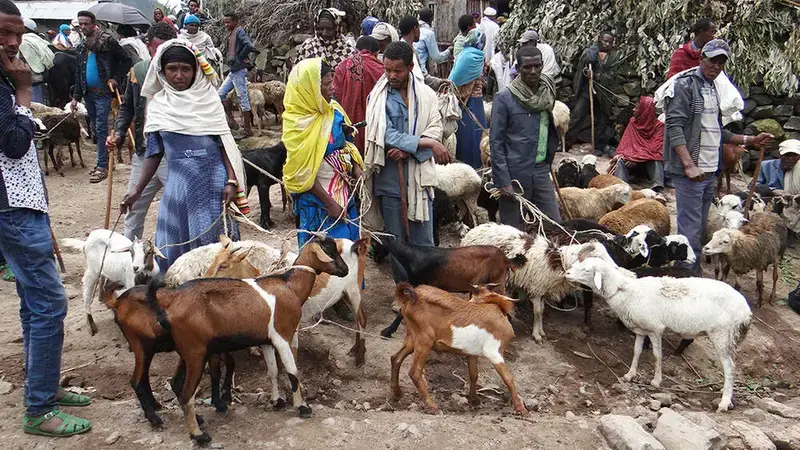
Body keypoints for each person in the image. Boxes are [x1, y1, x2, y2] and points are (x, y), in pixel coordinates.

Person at [0, 0, 93, 437]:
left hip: (21, 205)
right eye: (5, 32)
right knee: (50, 304)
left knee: (32, 302)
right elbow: (16, 145)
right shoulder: (6, 87)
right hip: (13, 209)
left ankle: (45, 389)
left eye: (18, 33)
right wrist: (23, 90)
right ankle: (39, 409)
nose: (15, 42)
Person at [121, 39, 247, 271]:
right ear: (162, 71)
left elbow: (225, 146)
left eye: (185, 69)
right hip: (178, 187)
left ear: (196, 70)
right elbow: (154, 152)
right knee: (174, 246)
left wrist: (231, 181)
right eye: (172, 69)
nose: (179, 75)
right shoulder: (159, 105)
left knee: (214, 248)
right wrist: (137, 190)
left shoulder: (209, 101)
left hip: (212, 184)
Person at [664, 39, 772, 275]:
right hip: (691, 171)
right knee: (690, 228)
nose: (717, 66)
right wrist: (688, 164)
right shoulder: (685, 85)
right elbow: (674, 126)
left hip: (708, 170)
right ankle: (686, 276)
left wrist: (748, 141)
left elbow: (716, 130)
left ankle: (688, 270)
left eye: (721, 62)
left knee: (700, 226)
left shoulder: (712, 88)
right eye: (713, 60)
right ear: (702, 58)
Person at [364, 42, 453, 281]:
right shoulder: (378, 97)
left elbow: (436, 127)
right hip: (390, 178)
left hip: (418, 176)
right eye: (387, 70)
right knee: (396, 240)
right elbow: (382, 132)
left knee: (423, 237)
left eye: (398, 71)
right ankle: (404, 291)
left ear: (410, 67)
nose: (391, 76)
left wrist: (408, 150)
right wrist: (425, 144)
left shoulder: (426, 95)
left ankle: (427, 291)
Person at [282, 58, 365, 247]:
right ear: (309, 88)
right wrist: (329, 203)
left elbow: (348, 143)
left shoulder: (334, 110)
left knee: (351, 249)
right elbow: (301, 173)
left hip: (345, 197)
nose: (332, 88)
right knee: (327, 257)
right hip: (319, 205)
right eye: (327, 84)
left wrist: (357, 168)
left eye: (332, 82)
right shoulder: (297, 124)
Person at [108, 22, 177, 240]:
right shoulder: (138, 71)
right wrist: (118, 134)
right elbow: (128, 106)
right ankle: (130, 261)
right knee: (133, 207)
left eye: (168, 49)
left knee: (178, 209)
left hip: (172, 155)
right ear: (148, 47)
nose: (162, 56)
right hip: (145, 151)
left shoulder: (182, 74)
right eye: (158, 50)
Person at [490, 46, 562, 227]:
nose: (533, 71)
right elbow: (495, 142)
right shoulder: (505, 98)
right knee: (514, 232)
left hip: (541, 170)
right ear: (518, 68)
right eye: (527, 67)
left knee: (553, 225)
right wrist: (503, 181)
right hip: (515, 174)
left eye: (537, 66)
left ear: (542, 65)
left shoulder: (547, 93)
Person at [70, 10, 131, 183]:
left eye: (86, 24)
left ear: (93, 24)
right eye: (80, 24)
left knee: (102, 127)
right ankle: (105, 162)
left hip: (103, 92)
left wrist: (116, 79)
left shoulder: (107, 41)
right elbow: (78, 73)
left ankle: (102, 166)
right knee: (96, 129)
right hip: (87, 93)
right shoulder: (81, 46)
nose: (82, 27)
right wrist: (75, 96)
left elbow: (126, 60)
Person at [567, 31, 621, 157]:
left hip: (602, 94)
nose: (607, 44)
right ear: (599, 40)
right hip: (587, 91)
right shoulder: (590, 52)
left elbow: (613, 75)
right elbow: (585, 64)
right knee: (577, 115)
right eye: (604, 41)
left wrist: (598, 76)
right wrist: (587, 72)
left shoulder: (613, 57)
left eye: (609, 42)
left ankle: (599, 146)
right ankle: (567, 141)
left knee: (602, 119)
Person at [333, 36, 383, 154]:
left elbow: (335, 96)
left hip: (345, 125)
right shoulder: (380, 69)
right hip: (374, 127)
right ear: (375, 54)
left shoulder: (342, 66)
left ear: (356, 50)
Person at [449, 27, 487, 169]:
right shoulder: (476, 57)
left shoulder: (464, 54)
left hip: (463, 101)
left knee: (464, 135)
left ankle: (463, 165)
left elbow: (456, 79)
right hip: (471, 102)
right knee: (473, 135)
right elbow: (469, 82)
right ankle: (473, 167)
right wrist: (465, 97)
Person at [613, 96, 665, 191]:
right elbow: (625, 144)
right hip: (632, 162)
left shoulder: (659, 127)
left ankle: (657, 188)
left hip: (647, 163)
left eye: (636, 108)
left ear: (644, 111)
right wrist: (630, 157)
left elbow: (654, 148)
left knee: (657, 158)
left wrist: (636, 159)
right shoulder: (633, 123)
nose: (633, 109)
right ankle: (621, 186)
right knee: (620, 160)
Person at [218, 12, 256, 137]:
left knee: (242, 98)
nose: (226, 24)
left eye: (228, 22)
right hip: (233, 70)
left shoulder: (239, 32)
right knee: (221, 93)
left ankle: (248, 129)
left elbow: (249, 45)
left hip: (239, 70)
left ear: (235, 21)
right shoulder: (232, 33)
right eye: (225, 22)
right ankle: (232, 121)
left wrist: (239, 57)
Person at [19, 18, 53, 104]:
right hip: (40, 79)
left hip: (30, 81)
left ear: (25, 29)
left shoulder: (23, 41)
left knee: (32, 108)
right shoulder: (39, 40)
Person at [415, 7, 451, 75]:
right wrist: (448, 51)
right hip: (420, 71)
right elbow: (436, 57)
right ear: (431, 19)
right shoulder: (428, 33)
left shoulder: (413, 29)